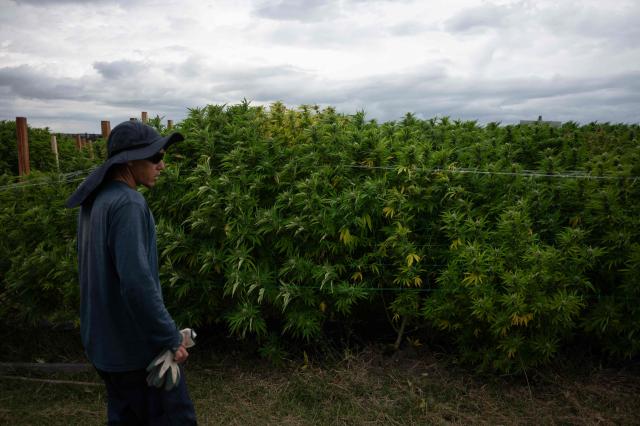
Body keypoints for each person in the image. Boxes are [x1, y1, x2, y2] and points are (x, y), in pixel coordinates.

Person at [66, 120, 197, 425]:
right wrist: (169, 337)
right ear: (128, 160)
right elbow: (137, 284)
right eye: (155, 157)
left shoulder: (96, 200)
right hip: (135, 352)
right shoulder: (128, 203)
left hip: (105, 348)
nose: (161, 165)